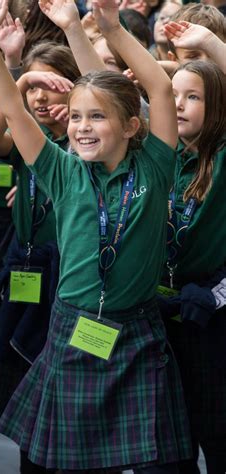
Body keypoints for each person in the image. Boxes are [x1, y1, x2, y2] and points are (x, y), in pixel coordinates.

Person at [0, 0, 193, 471]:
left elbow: (156, 83)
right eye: (75, 117)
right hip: (72, 330)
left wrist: (109, 28)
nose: (81, 127)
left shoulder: (155, 165)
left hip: (136, 331)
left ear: (132, 126)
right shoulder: (60, 169)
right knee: (61, 462)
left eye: (96, 118)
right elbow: (11, 106)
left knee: (163, 461)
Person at [0, 36, 79, 474]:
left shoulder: (84, 138)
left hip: (63, 274)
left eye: (49, 85)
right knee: (21, 382)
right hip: (25, 266)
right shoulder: (27, 137)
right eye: (32, 89)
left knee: (61, 389)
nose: (39, 96)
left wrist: (75, 111)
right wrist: (20, 80)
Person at [159, 24, 226, 473]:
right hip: (158, 319)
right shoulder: (159, 155)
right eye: (172, 95)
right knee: (167, 445)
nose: (178, 105)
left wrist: (209, 45)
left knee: (217, 434)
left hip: (211, 321)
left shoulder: (221, 157)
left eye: (194, 97)